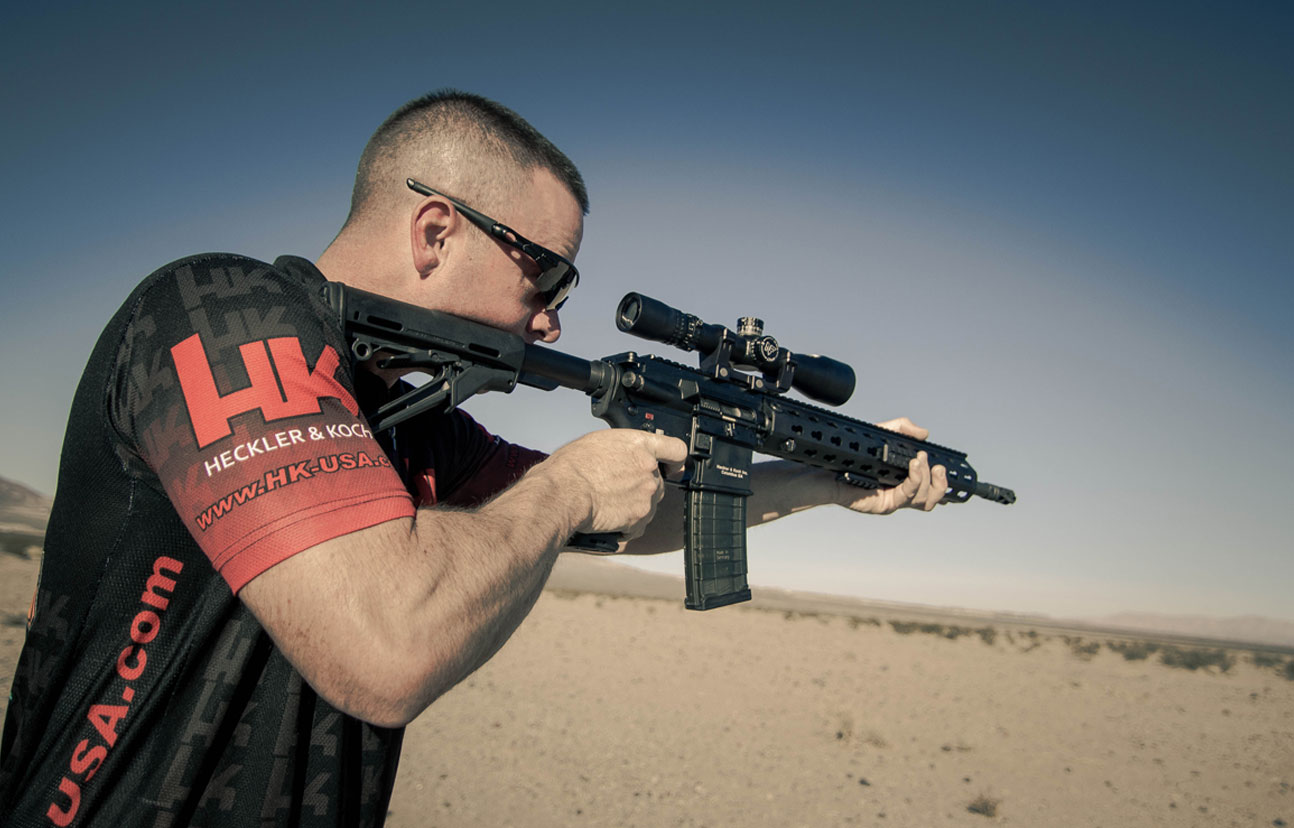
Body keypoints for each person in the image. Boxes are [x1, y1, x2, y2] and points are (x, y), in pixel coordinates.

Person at [0, 90, 947, 827]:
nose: (554, 318)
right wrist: (571, 487)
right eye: (547, 272)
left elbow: (632, 515)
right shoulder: (218, 313)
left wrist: (823, 482)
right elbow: (388, 647)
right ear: (437, 232)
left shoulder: (409, 416)